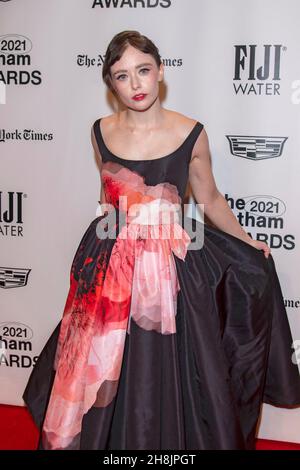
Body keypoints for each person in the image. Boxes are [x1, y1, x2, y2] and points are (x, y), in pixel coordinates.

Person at [23, 30, 300, 451]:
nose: (135, 84)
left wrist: (247, 241)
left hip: (169, 267)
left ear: (160, 72)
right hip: (109, 262)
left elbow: (208, 198)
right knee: (102, 363)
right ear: (110, 83)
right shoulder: (99, 131)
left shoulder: (192, 133)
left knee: (167, 366)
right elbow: (106, 198)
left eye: (143, 71)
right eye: (122, 75)